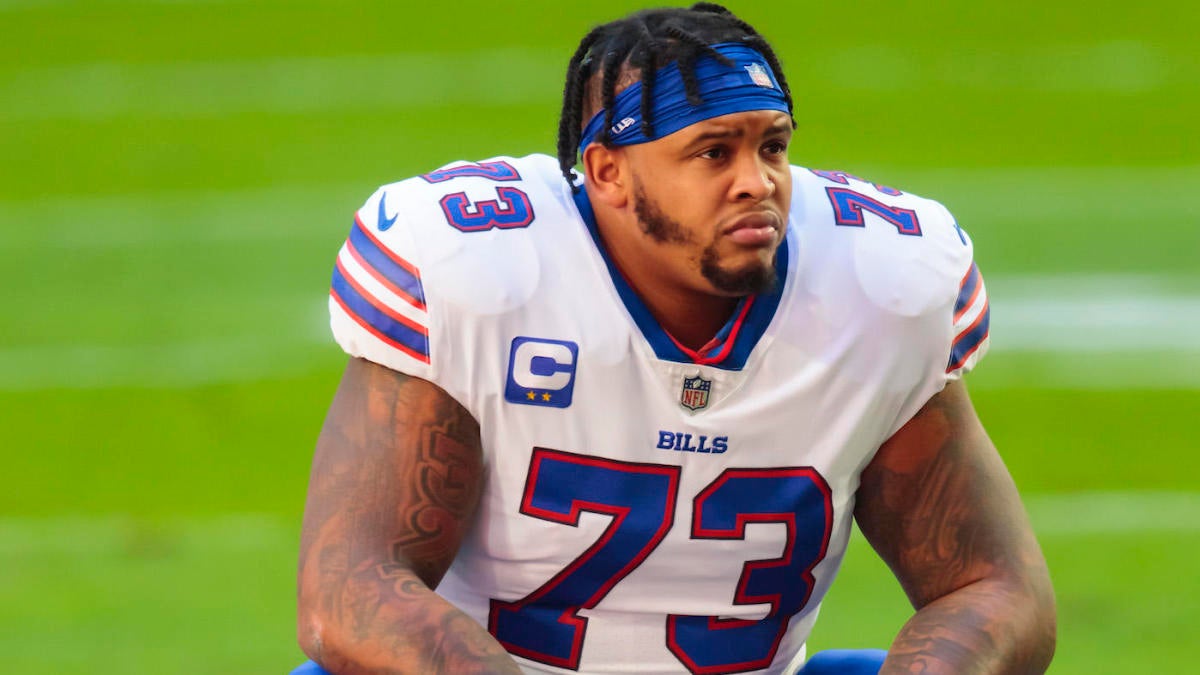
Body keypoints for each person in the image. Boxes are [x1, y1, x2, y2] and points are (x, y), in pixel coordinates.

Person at [295, 3, 1056, 673]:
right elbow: (347, 588)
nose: (758, 181)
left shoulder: (882, 286)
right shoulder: (484, 275)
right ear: (607, 172)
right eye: (713, 152)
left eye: (773, 146)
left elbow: (993, 587)